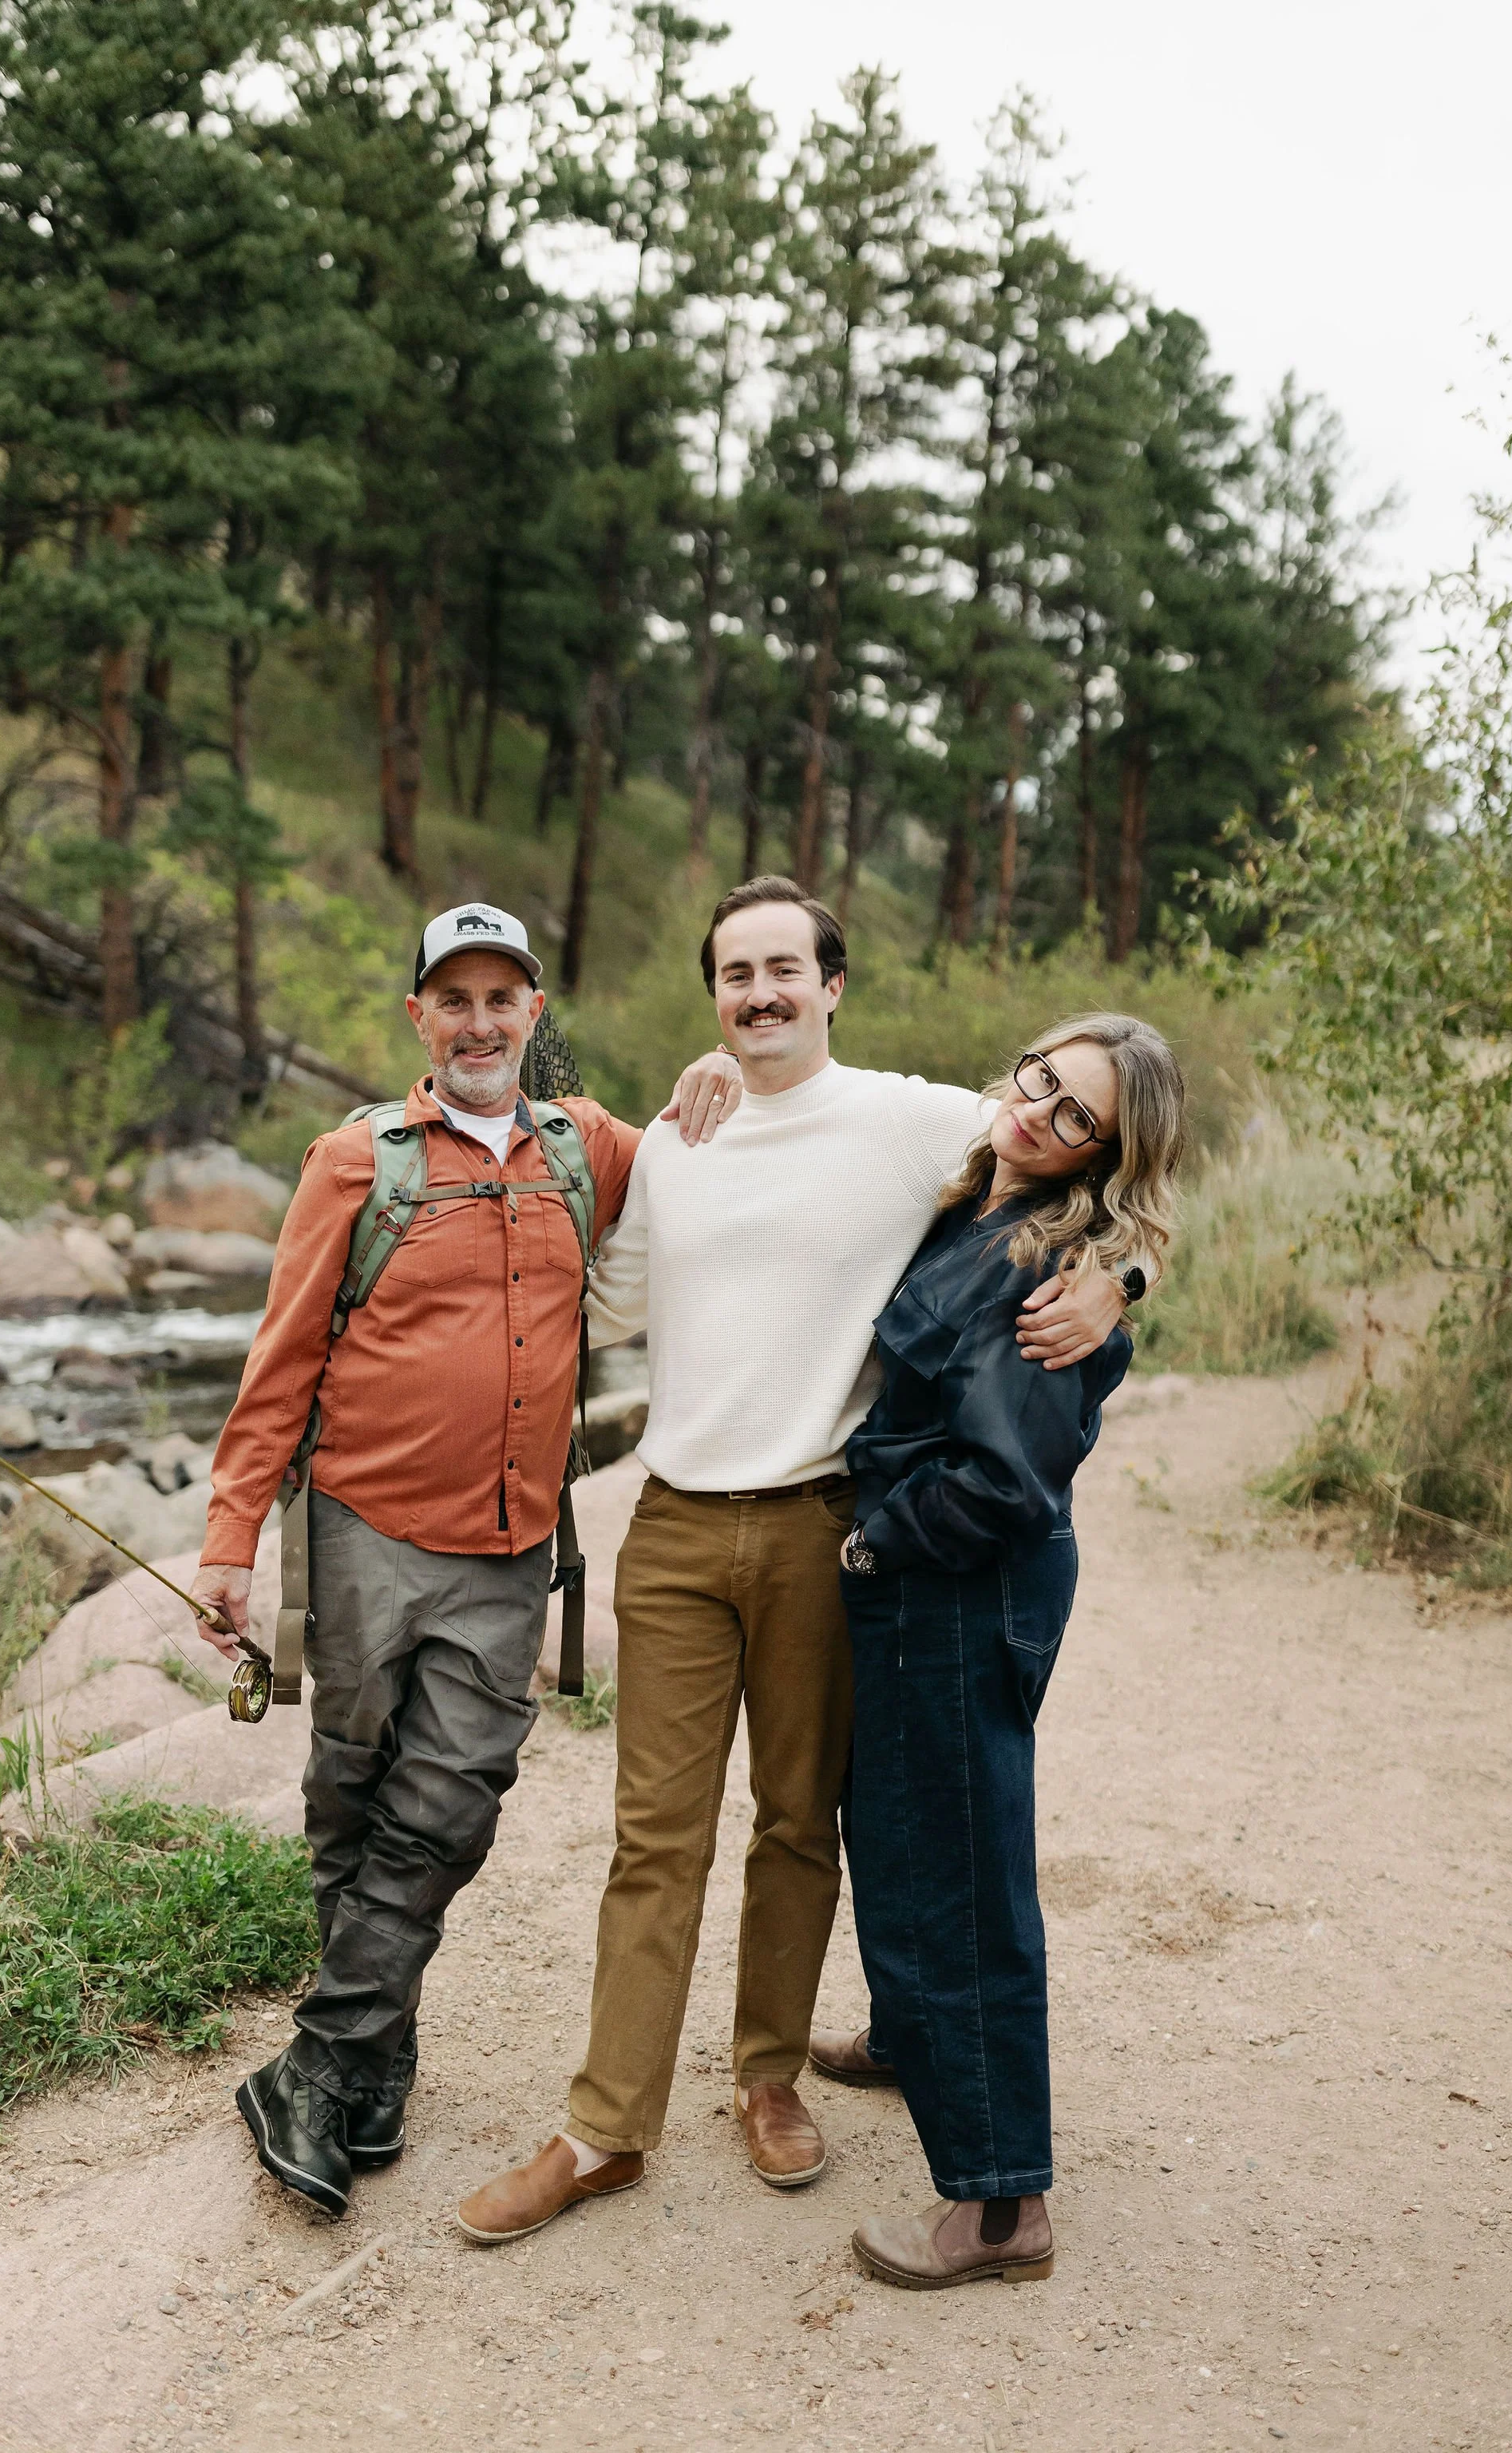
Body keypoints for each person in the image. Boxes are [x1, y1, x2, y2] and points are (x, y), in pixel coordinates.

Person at [455, 882, 1134, 2248]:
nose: (760, 995)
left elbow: (1088, 1161)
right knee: (655, 1839)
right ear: (715, 994)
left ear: (833, 985)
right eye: (735, 976)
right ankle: (606, 2127)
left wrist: (1124, 1276)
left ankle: (768, 2079)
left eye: (785, 971)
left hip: (831, 1526)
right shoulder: (675, 1138)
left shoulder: (918, 1119)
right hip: (678, 1527)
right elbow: (611, 1302)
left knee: (795, 1825)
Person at [188, 902, 734, 2217]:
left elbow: (702, 1156)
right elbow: (283, 1362)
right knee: (354, 1793)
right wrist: (229, 1539)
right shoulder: (352, 1161)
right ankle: (371, 2062)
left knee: (451, 1805)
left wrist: (713, 1073)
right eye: (456, 999)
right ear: (419, 1018)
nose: (481, 1022)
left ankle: (318, 2064)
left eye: (505, 999)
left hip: (508, 1549)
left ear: (534, 1016)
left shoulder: (584, 1148)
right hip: (364, 1535)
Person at [836, 1013, 1185, 2289]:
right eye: (1042, 1076)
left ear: (1106, 1153)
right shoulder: (974, 1182)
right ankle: (912, 2036)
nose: (1039, 1108)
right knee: (889, 1820)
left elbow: (1002, 1484)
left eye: (1077, 1114)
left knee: (961, 1864)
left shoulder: (1049, 1270)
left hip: (955, 1582)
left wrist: (876, 1547)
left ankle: (1001, 2206)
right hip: (927, 1579)